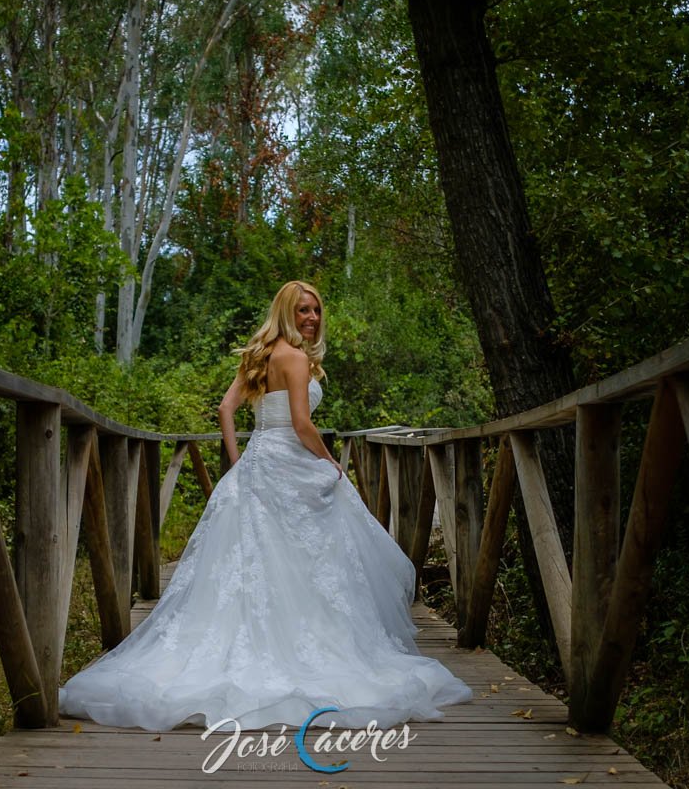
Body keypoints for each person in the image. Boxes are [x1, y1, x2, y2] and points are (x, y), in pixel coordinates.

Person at [58, 280, 473, 731]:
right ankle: (303, 643)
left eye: (315, 310)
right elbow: (301, 423)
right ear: (285, 313)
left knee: (259, 560)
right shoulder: (294, 358)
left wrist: (240, 461)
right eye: (302, 311)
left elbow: (225, 410)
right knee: (308, 557)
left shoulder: (261, 354)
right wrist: (331, 460)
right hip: (289, 460)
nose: (311, 318)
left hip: (260, 461)